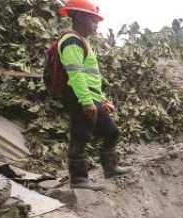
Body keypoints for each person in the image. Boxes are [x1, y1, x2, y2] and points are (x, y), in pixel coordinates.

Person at [56, 0, 130, 191]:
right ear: (80, 18)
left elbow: (91, 77)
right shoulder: (71, 41)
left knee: (111, 132)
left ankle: (110, 168)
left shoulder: (81, 41)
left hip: (91, 97)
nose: (96, 25)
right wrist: (87, 102)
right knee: (80, 137)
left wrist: (102, 100)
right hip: (80, 97)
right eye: (93, 20)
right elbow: (76, 74)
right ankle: (79, 180)